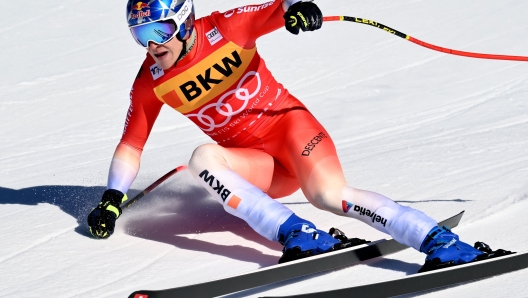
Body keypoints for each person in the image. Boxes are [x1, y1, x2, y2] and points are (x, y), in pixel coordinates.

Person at [88, 0, 486, 270]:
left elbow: (281, 5)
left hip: (293, 133)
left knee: (330, 196)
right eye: (141, 36)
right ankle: (296, 233)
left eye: (159, 29)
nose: (153, 45)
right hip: (260, 166)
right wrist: (111, 200)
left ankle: (439, 241)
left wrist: (300, 9)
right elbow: (131, 143)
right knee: (203, 159)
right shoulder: (150, 82)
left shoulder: (226, 28)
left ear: (185, 19)